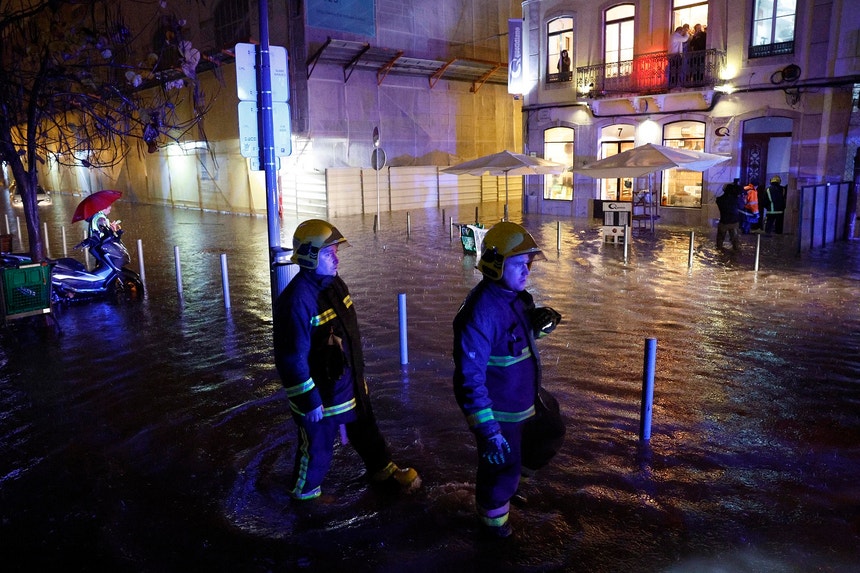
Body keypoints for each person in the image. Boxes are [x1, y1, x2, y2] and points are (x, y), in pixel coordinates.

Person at [273, 219, 420, 502]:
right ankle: (304, 497)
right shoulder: (297, 301)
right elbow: (291, 358)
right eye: (330, 254)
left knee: (366, 429)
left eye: (336, 252)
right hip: (321, 397)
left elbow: (347, 336)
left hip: (347, 385)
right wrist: (308, 400)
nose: (337, 259)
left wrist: (357, 379)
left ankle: (383, 471)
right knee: (317, 448)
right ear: (310, 256)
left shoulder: (335, 284)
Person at [453, 221, 562, 539]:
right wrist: (489, 431)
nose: (527, 271)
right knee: (499, 472)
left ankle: (513, 485)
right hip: (501, 414)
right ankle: (495, 534)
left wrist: (539, 325)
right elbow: (469, 380)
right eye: (519, 265)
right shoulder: (480, 313)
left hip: (525, 402)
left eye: (528, 264)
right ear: (495, 264)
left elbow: (513, 343)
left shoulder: (516, 298)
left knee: (551, 430)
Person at [716, 179, 743, 250]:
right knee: (735, 242)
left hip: (723, 222)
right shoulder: (736, 199)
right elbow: (742, 206)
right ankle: (735, 254)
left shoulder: (719, 199)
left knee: (719, 242)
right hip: (734, 222)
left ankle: (719, 253)